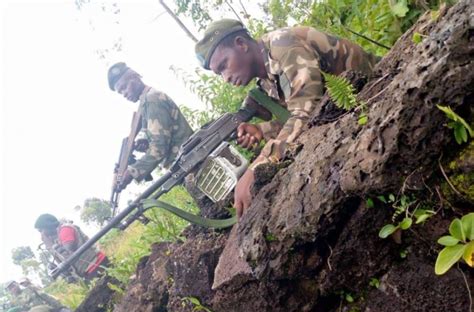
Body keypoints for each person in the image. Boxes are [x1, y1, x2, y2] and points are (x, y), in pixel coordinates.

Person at [195, 19, 379, 218]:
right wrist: (262, 130)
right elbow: (301, 114)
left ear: (241, 44)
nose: (226, 78)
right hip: (353, 108)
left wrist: (257, 167)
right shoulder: (265, 78)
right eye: (219, 73)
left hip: (378, 86)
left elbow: (308, 111)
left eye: (224, 65)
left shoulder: (283, 46)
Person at [108, 62, 194, 191]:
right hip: (187, 166)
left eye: (124, 87)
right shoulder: (144, 106)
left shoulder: (151, 100)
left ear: (134, 76)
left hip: (193, 164)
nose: (124, 93)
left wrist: (131, 172)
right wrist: (144, 143)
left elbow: (159, 147)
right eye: (121, 92)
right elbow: (162, 138)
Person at [34, 214, 108, 281]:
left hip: (96, 265)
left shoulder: (65, 230)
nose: (42, 234)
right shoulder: (58, 239)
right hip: (89, 270)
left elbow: (69, 253)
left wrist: (51, 246)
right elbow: (63, 262)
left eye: (41, 230)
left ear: (48, 226)